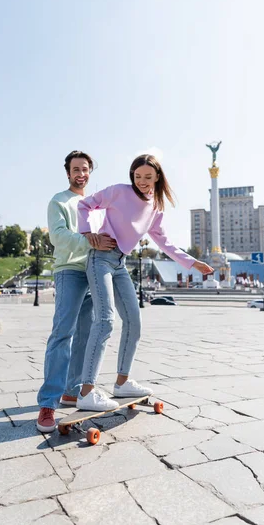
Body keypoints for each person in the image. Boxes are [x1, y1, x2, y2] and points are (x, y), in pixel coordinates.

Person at [75, 153, 214, 412]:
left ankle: (122, 382)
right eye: (137, 176)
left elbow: (165, 243)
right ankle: (86, 391)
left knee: (134, 322)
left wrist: (193, 263)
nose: (141, 181)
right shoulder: (118, 191)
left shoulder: (155, 208)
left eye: (148, 177)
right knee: (105, 320)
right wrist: (88, 234)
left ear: (158, 177)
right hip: (100, 259)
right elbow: (84, 205)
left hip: (120, 264)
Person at [36, 151, 117, 432]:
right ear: (68, 172)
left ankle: (73, 390)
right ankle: (48, 403)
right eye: (75, 169)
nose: (80, 173)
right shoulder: (59, 201)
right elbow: (58, 236)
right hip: (70, 271)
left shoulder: (97, 205)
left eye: (85, 169)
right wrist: (90, 241)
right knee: (62, 334)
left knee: (86, 335)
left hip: (95, 272)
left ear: (90, 172)